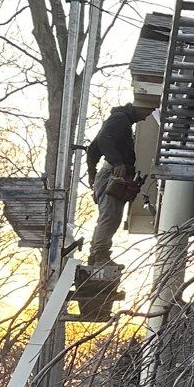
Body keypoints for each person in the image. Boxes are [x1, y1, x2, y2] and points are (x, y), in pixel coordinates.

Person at [84, 103, 152, 269]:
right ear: (138, 106)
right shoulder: (120, 118)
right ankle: (100, 257)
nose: (145, 117)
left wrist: (92, 174)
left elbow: (93, 149)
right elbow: (103, 140)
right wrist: (117, 162)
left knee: (108, 217)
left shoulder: (118, 119)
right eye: (147, 112)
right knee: (111, 217)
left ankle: (96, 256)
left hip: (108, 174)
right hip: (113, 174)